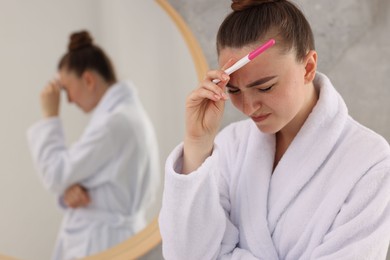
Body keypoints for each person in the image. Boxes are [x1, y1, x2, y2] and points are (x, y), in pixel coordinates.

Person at [158, 0, 390, 259]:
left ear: (308, 67)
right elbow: (187, 254)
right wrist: (196, 144)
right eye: (233, 90)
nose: (248, 107)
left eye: (265, 87)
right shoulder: (232, 144)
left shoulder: (370, 161)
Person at [27, 30, 160, 260]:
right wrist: (69, 191)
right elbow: (84, 177)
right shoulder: (124, 115)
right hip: (112, 236)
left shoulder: (113, 123)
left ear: (88, 79)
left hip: (102, 242)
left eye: (66, 89)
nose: (67, 100)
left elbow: (56, 173)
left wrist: (50, 116)